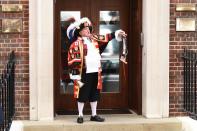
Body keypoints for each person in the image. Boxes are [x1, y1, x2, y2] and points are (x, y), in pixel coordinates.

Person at [67, 17, 127, 124]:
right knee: (82, 94)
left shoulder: (94, 38)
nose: (88, 30)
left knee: (94, 94)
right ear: (80, 32)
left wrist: (117, 33)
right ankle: (80, 115)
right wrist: (75, 78)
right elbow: (72, 63)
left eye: (89, 28)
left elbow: (106, 37)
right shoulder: (75, 45)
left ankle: (94, 115)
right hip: (83, 73)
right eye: (85, 29)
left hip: (95, 71)